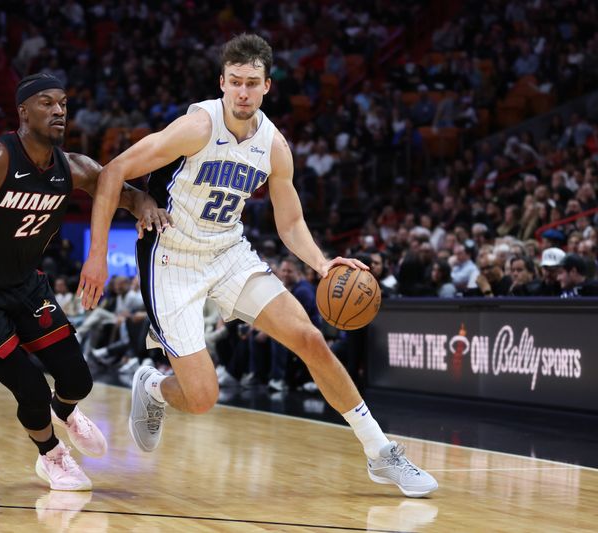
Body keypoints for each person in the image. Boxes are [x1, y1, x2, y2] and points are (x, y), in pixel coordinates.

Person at [80, 35, 437, 497]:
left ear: (267, 86)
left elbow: (289, 222)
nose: (243, 92)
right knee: (203, 398)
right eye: (235, 83)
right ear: (222, 83)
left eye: (252, 83)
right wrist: (97, 256)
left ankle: (380, 452)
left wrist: (324, 264)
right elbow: (112, 172)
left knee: (310, 337)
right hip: (172, 258)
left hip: (228, 252)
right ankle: (153, 386)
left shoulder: (274, 145)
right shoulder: (196, 127)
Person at [0, 73, 169, 492]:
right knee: (29, 389)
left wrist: (146, 205)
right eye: (47, 103)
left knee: (78, 380)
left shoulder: (75, 167)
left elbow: (125, 193)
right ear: (23, 111)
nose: (58, 111)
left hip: (26, 286)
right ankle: (52, 456)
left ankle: (65, 410)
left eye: (63, 103)